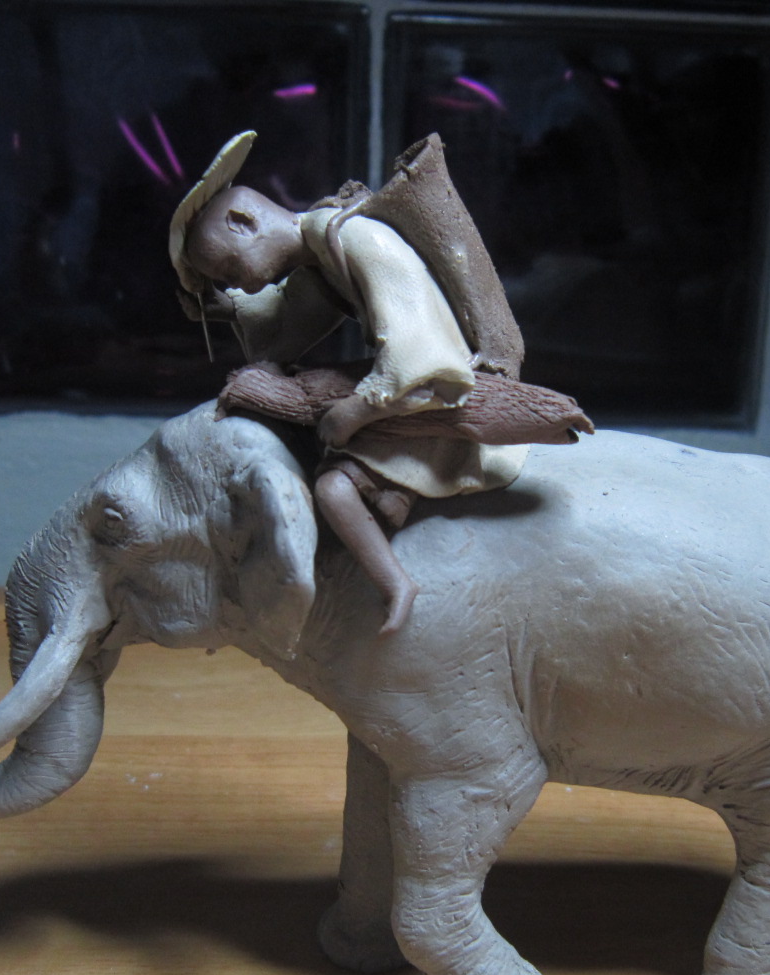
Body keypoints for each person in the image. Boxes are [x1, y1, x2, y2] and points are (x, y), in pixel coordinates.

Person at [169, 132, 528, 634]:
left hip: (438, 389)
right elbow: (289, 325)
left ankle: (397, 585)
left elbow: (422, 349)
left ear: (245, 222)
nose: (242, 283)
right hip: (408, 384)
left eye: (232, 267)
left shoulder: (361, 240)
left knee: (334, 489)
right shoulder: (321, 256)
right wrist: (228, 309)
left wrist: (358, 410)